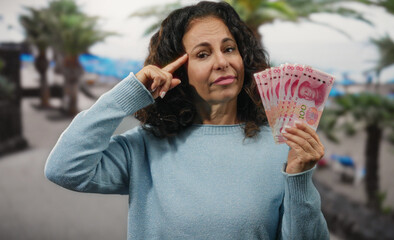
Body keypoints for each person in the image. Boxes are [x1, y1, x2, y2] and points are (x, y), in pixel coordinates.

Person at [45, 1, 329, 239]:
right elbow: (64, 169)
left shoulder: (281, 146)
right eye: (203, 54)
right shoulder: (144, 147)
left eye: (229, 48)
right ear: (178, 71)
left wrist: (299, 180)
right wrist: (128, 93)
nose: (222, 61)